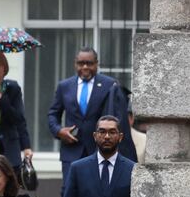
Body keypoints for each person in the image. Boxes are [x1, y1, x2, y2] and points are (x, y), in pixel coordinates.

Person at [48, 47, 137, 189]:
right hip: (71, 151)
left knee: (97, 192)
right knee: (70, 192)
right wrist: (59, 131)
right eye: (81, 63)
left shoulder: (109, 85)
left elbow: (116, 117)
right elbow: (53, 114)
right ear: (75, 64)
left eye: (89, 63)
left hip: (99, 151)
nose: (85, 67)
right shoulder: (64, 86)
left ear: (97, 64)